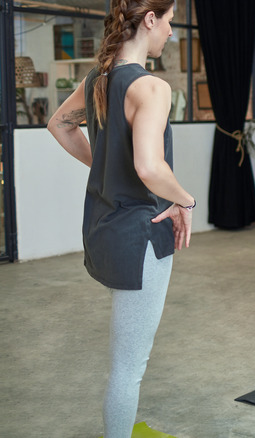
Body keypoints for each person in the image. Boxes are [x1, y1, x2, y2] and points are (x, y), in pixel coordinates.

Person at [47, 1, 195, 436]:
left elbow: (59, 124)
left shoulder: (99, 78)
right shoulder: (150, 87)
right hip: (141, 237)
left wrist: (106, 166)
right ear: (150, 19)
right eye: (168, 23)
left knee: (125, 364)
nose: (170, 33)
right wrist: (186, 201)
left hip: (103, 231)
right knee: (129, 369)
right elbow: (150, 168)